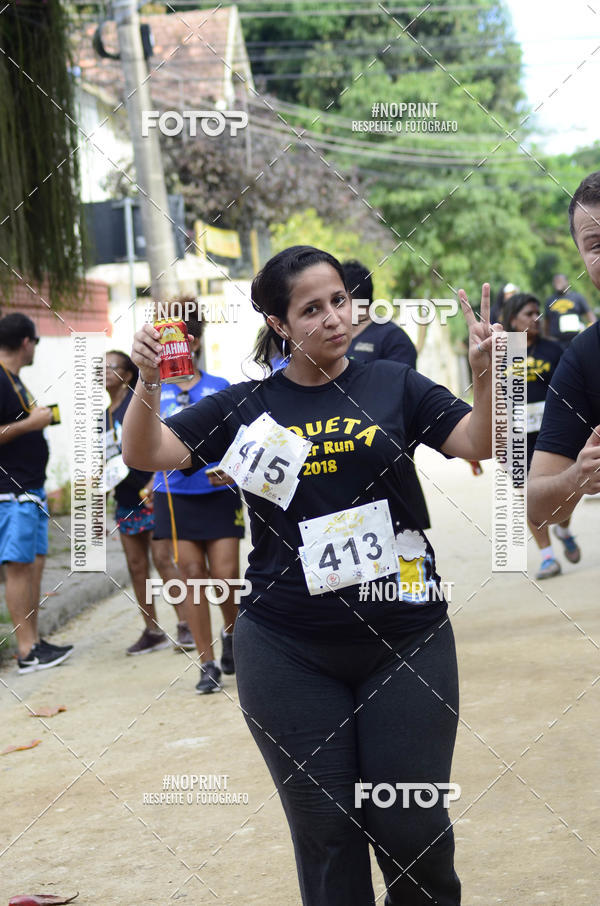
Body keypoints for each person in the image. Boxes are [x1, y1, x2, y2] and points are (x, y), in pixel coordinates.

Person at [123, 246, 496, 905]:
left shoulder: (396, 385)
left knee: (411, 825)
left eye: (340, 300)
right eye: (311, 309)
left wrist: (487, 375)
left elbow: (480, 442)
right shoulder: (245, 406)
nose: (333, 318)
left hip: (406, 636)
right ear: (279, 323)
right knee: (327, 832)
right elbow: (146, 451)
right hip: (288, 646)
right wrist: (147, 383)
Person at [151, 304, 245, 694]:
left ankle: (233, 636)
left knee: (225, 576)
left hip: (219, 492)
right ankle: (206, 663)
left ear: (196, 342)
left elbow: (241, 438)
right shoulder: (154, 390)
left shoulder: (221, 386)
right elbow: (140, 441)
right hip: (174, 496)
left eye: (181, 338)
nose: (174, 346)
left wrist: (235, 468)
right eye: (165, 340)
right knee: (191, 575)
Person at [105, 350, 191, 655]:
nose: (103, 372)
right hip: (125, 499)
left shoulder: (138, 403)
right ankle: (152, 631)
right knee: (136, 565)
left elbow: (164, 439)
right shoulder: (102, 417)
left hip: (153, 494)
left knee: (163, 560)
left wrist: (155, 480)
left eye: (110, 367)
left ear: (127, 374)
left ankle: (186, 625)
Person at [0, 313, 73, 673]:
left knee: (33, 566)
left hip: (29, 488)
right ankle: (26, 650)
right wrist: (32, 423)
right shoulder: (0, 377)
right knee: (18, 568)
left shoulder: (13, 378)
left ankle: (35, 641)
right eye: (36, 343)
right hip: (11, 492)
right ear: (26, 342)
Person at [529, 171, 600, 527]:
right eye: (596, 245)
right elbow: (538, 509)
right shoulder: (582, 359)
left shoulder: (579, 302)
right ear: (582, 258)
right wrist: (576, 477)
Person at [342, 260, 431, 530]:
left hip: (386, 463)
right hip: (341, 463)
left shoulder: (393, 339)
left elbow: (400, 401)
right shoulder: (334, 341)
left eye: (336, 298)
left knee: (402, 543)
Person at [501, 293, 579, 578]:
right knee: (528, 495)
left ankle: (564, 529)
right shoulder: (501, 355)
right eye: (528, 314)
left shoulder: (554, 350)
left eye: (537, 313)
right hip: (517, 439)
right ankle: (548, 558)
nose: (536, 318)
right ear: (513, 319)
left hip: (553, 434)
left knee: (565, 491)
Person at [543, 272, 595, 349]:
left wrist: (591, 333)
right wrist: (547, 338)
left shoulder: (577, 297)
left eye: (560, 281)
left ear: (566, 282)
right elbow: (546, 323)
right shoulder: (550, 300)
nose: (557, 283)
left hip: (576, 340)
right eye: (555, 282)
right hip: (557, 343)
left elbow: (590, 316)